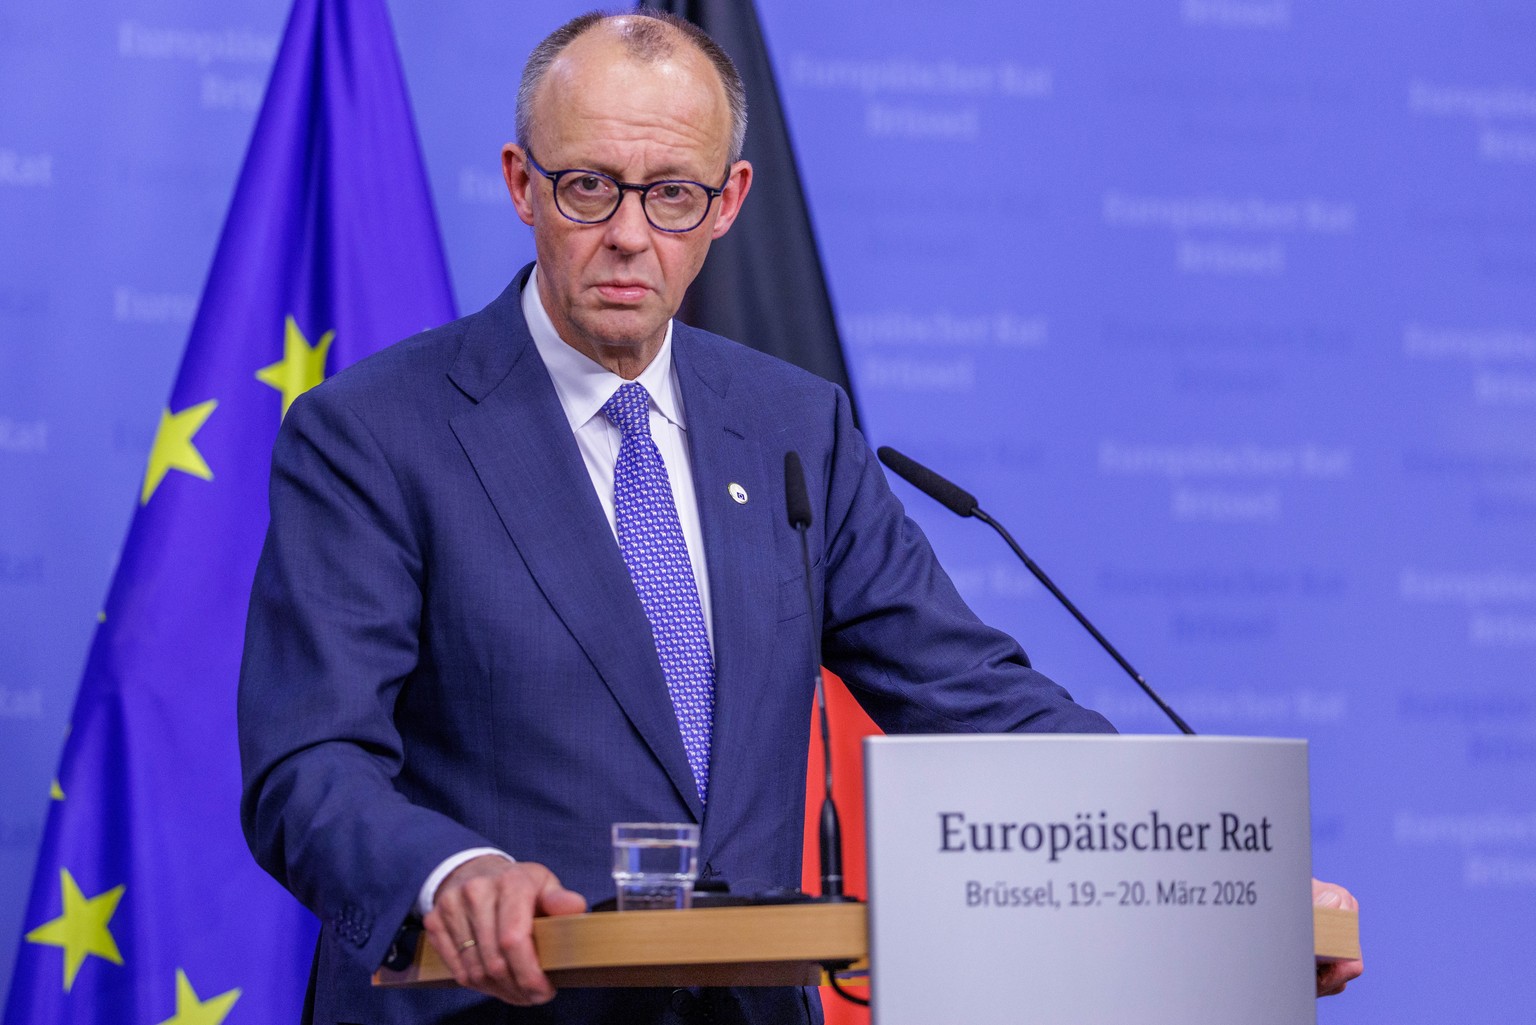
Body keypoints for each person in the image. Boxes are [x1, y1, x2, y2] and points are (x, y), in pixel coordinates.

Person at [238, 11, 1358, 1024]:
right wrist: (449, 872)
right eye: (589, 187)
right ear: (521, 183)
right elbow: (308, 761)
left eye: (671, 192)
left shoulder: (793, 426)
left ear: (727, 202)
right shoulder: (376, 432)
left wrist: (1209, 874)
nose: (630, 234)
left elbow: (973, 700)